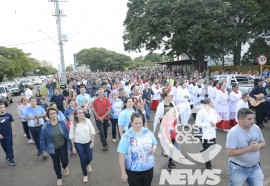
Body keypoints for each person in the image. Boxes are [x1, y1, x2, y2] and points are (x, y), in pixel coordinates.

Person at [226, 108, 265, 186]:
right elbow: (230, 153)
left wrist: (258, 145)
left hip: (255, 167)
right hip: (238, 169)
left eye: (253, 118)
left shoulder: (256, 128)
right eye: (249, 119)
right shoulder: (233, 132)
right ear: (240, 119)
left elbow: (263, 143)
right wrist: (249, 148)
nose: (253, 121)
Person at [117, 113, 158, 186]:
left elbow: (155, 143)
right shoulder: (126, 136)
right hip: (133, 172)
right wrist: (123, 172)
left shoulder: (147, 132)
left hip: (148, 169)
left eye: (140, 123)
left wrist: (154, 148)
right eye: (136, 123)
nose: (139, 125)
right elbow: (121, 155)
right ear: (131, 123)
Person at [40, 107, 70, 186]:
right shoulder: (45, 126)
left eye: (54, 113)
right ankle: (59, 177)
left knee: (65, 161)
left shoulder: (62, 123)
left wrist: (72, 145)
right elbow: (42, 139)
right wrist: (43, 150)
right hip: (52, 148)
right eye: (51, 114)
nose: (53, 115)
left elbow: (67, 134)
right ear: (48, 116)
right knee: (56, 163)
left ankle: (65, 167)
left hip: (62, 145)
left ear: (57, 114)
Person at [153, 91, 180, 168]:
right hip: (165, 127)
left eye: (171, 96)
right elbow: (159, 116)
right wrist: (167, 118)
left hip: (173, 127)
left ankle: (170, 161)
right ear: (165, 97)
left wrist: (177, 121)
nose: (171, 97)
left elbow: (176, 114)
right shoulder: (161, 105)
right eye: (169, 96)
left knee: (173, 144)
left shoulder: (172, 103)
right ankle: (169, 161)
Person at [69, 108, 96, 183]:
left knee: (90, 157)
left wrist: (92, 142)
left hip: (88, 142)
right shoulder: (73, 123)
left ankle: (87, 164)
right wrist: (73, 147)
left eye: (82, 112)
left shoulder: (87, 120)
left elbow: (93, 132)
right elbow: (71, 136)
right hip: (78, 143)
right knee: (82, 159)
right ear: (76, 115)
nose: (81, 114)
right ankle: (85, 175)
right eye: (79, 113)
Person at [194, 98, 220, 170]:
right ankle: (208, 165)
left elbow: (215, 119)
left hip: (211, 132)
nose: (212, 104)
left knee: (213, 147)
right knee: (207, 150)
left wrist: (214, 122)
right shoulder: (200, 112)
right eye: (211, 103)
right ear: (206, 104)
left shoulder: (212, 111)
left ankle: (203, 152)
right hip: (203, 134)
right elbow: (197, 123)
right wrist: (208, 124)